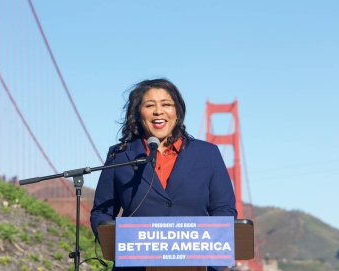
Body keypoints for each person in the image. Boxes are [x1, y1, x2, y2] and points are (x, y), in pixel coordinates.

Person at [90, 78, 237, 270]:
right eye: (150, 105)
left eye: (166, 104)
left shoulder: (207, 154)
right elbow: (101, 212)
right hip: (134, 266)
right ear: (138, 114)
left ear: (177, 112)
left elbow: (224, 209)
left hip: (199, 266)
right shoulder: (120, 156)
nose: (158, 111)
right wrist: (118, 242)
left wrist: (210, 251)